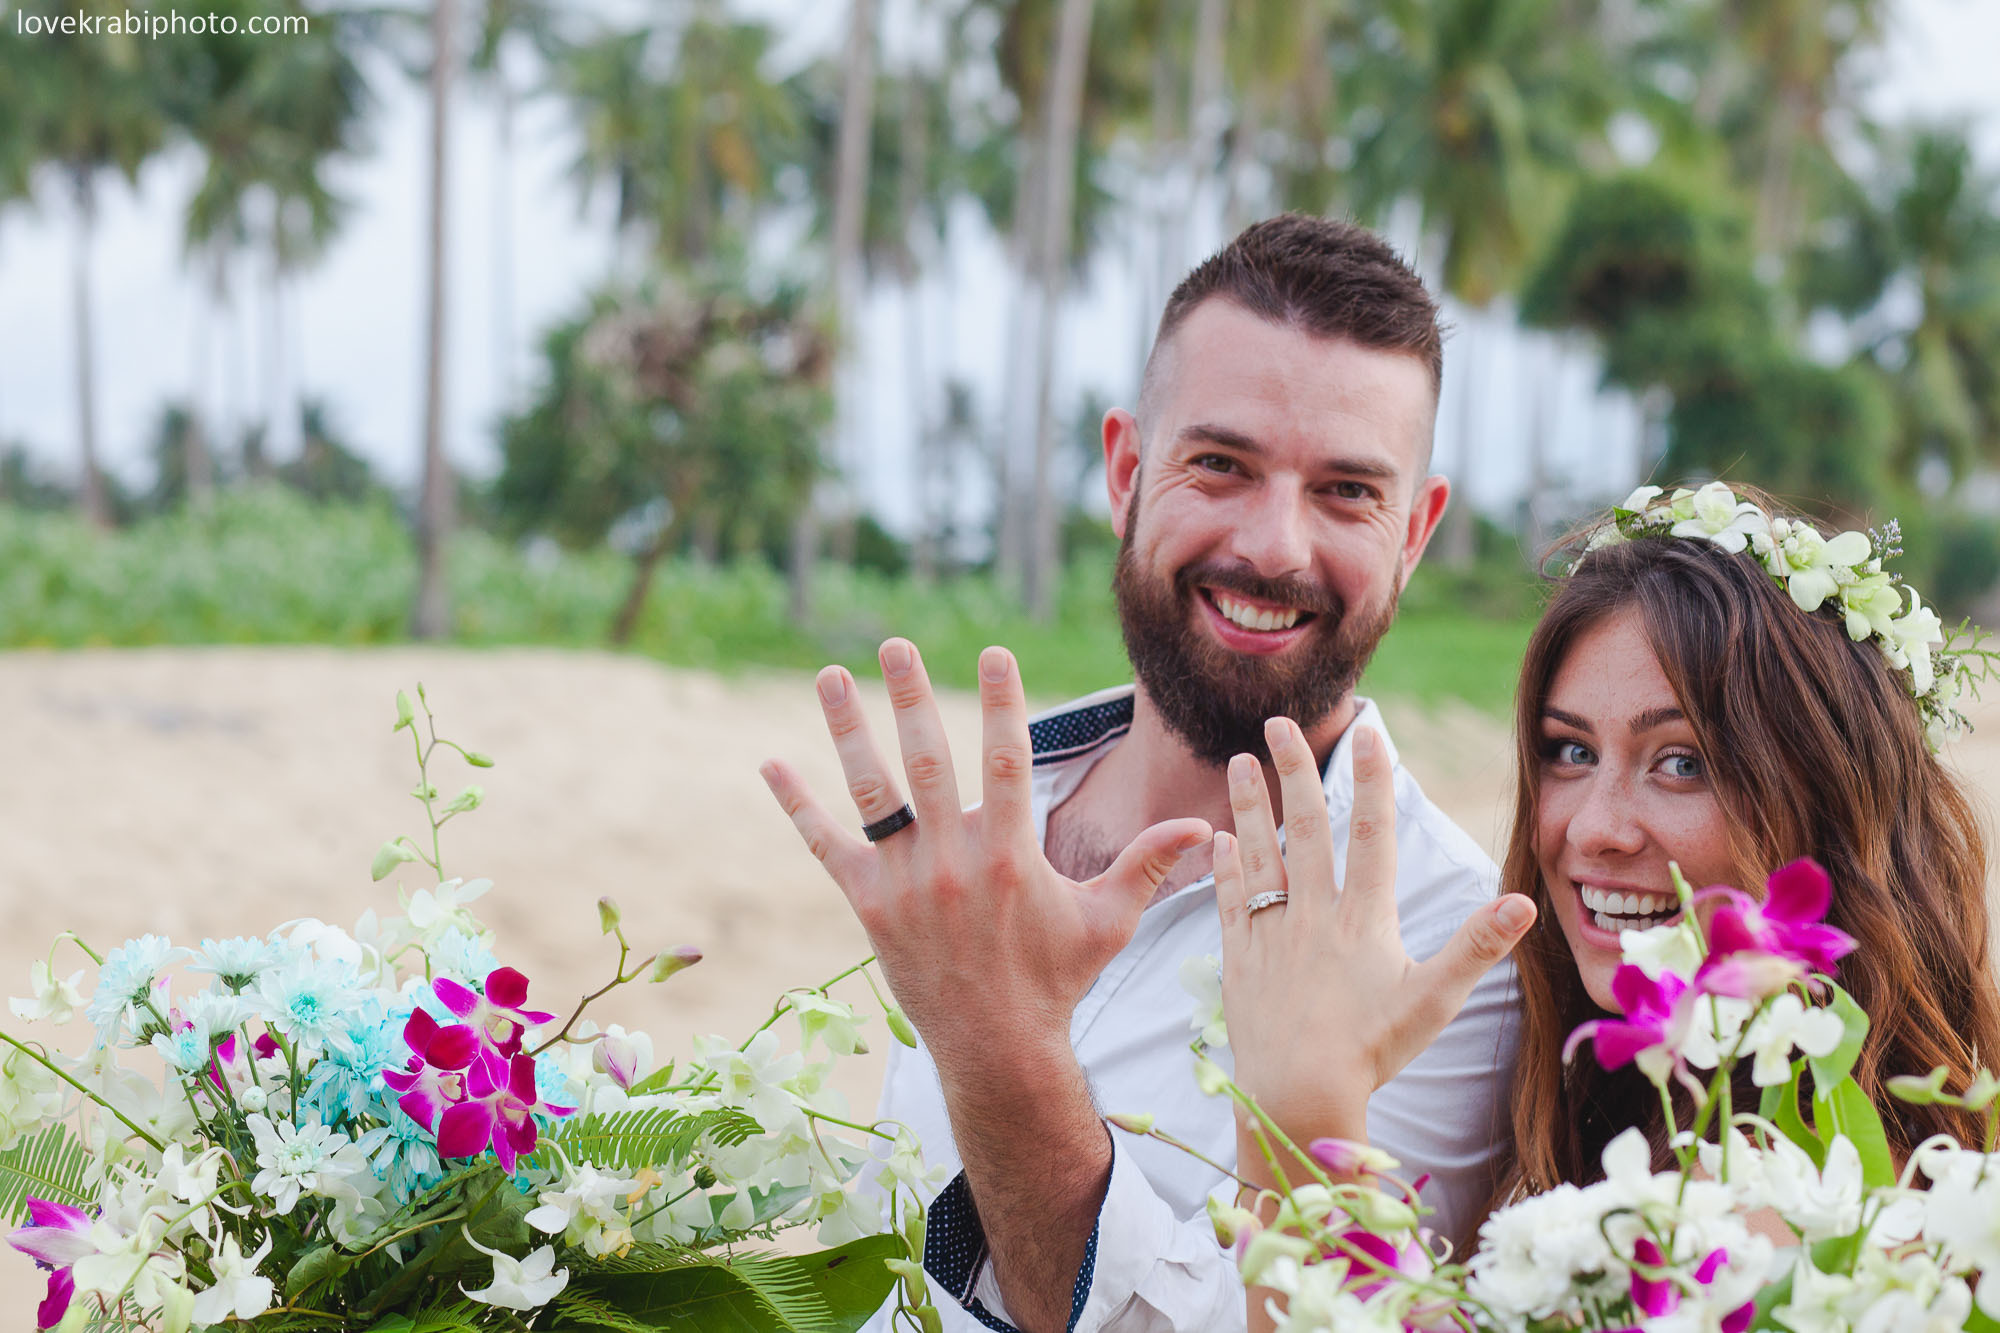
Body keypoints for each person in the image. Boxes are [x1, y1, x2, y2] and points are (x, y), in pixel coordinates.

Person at [758, 215, 1528, 1333]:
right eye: (1218, 464)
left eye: (1345, 492)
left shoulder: (1449, 950)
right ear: (1125, 470)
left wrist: (994, 1043)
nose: (1272, 546)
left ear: (1413, 532)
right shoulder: (973, 832)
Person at [1217, 484, 2000, 1329]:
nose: (1591, 829)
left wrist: (1302, 1115)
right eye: (1570, 750)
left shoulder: (1779, 1220)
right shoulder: (1625, 1113)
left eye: (1683, 762)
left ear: (1831, 801)